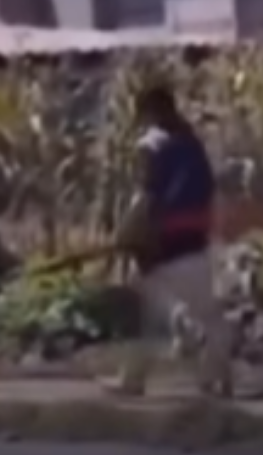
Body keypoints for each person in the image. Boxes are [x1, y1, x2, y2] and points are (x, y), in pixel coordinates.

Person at [104, 82, 234, 398]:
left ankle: (178, 331)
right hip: (195, 234)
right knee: (205, 309)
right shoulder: (192, 143)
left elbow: (146, 196)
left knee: (146, 298)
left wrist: (125, 232)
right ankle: (218, 376)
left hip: (164, 236)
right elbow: (210, 191)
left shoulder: (154, 145)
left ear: (149, 112)